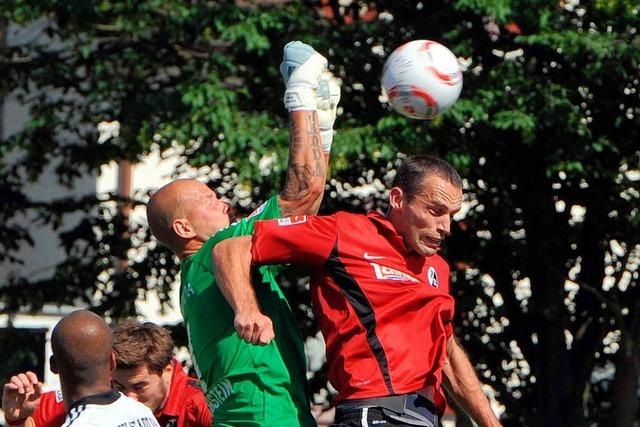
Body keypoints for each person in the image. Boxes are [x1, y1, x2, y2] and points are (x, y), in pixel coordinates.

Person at [212, 155, 503, 427]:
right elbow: (232, 247)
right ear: (398, 199)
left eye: (451, 214)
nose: (446, 227)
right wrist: (247, 309)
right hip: (374, 413)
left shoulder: (437, 267)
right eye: (436, 211)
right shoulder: (345, 232)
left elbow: (447, 352)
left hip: (426, 418)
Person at [146, 41, 339, 426]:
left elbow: (304, 208)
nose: (224, 204)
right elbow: (304, 193)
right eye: (208, 199)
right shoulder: (215, 251)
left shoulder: (197, 276)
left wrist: (322, 124)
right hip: (264, 414)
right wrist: (300, 96)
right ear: (184, 228)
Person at [2, 321, 211, 427]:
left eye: (139, 387)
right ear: (110, 366)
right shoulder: (87, 404)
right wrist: (17, 419)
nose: (130, 398)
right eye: (118, 387)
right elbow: (30, 419)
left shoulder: (202, 405)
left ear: (168, 370)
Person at [2, 310, 159, 426]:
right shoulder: (143, 414)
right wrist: (20, 421)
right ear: (112, 361)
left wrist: (16, 421)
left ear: (53, 366)